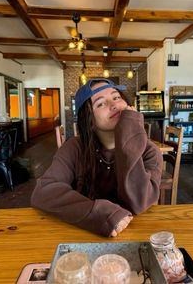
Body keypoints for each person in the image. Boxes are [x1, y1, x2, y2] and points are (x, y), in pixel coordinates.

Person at [31, 78, 163, 237]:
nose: (114, 105)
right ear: (90, 120)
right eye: (101, 104)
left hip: (135, 235)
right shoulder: (74, 147)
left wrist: (130, 134)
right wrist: (100, 214)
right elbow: (44, 191)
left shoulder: (149, 151)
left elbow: (139, 203)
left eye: (116, 97)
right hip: (82, 234)